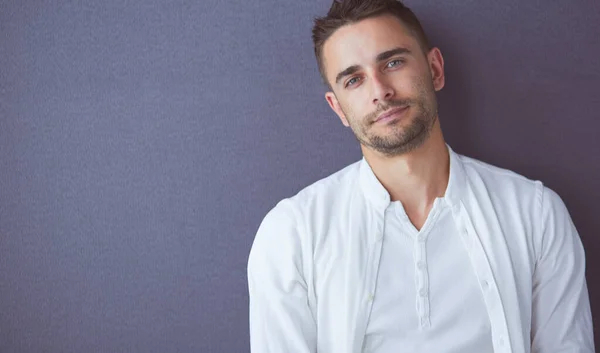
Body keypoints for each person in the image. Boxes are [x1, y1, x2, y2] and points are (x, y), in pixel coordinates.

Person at [247, 0, 595, 352]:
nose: (380, 90)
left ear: (435, 69)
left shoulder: (534, 215)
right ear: (338, 108)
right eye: (354, 80)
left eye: (393, 62)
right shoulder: (292, 235)